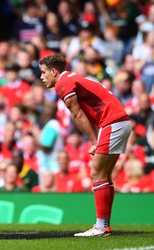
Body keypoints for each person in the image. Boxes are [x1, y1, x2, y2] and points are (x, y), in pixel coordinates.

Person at [39, 53, 132, 237]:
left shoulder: (63, 84)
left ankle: (100, 227)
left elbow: (77, 115)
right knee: (104, 174)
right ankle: (105, 225)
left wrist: (94, 142)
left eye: (43, 72)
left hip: (112, 122)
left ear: (54, 72)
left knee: (96, 172)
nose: (42, 77)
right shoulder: (74, 78)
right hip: (120, 121)